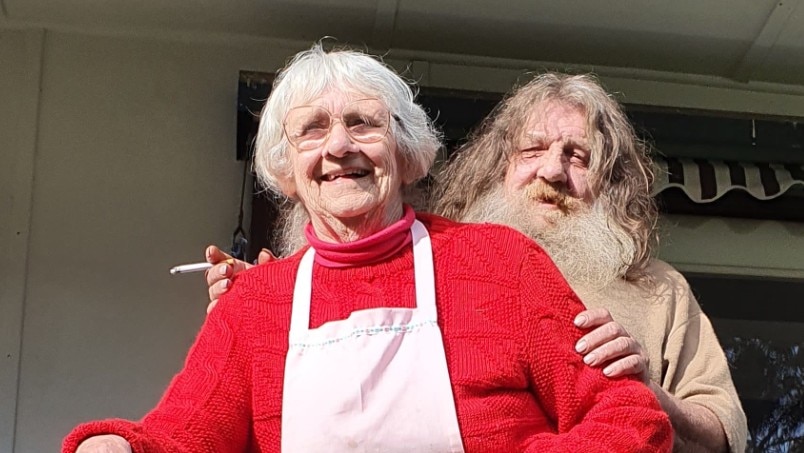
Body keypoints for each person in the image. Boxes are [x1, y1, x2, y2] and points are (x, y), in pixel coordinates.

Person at [63, 45, 672, 453]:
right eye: (312, 130)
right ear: (286, 168)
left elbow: (630, 419)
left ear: (406, 153)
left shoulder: (502, 265)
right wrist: (111, 444)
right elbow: (177, 438)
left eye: (362, 123)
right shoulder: (254, 305)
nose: (338, 147)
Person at [206, 72, 747, 452]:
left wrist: (643, 394)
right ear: (495, 166)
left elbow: (725, 429)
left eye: (578, 157)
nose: (552, 173)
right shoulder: (428, 258)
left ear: (613, 183)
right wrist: (259, 307)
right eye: (532, 150)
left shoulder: (658, 292)